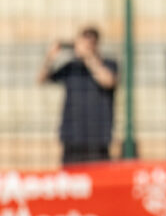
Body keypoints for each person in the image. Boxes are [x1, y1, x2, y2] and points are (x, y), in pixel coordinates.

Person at [38, 26, 118, 165]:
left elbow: (108, 81)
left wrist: (89, 57)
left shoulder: (108, 64)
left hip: (98, 137)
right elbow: (41, 79)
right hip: (72, 137)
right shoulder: (72, 67)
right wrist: (50, 58)